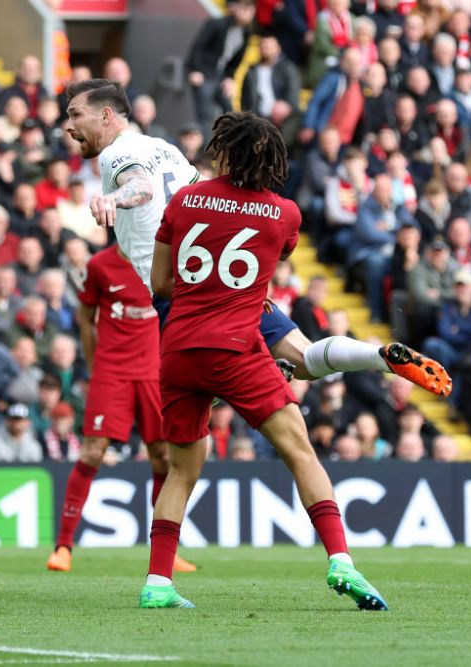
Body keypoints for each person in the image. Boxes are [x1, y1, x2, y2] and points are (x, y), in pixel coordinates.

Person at [63, 78, 451, 396]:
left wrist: (113, 198)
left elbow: (141, 186)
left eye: (75, 115)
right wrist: (242, 282)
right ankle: (379, 357)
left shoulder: (115, 155)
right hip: (221, 279)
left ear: (107, 115)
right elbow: (207, 208)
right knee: (306, 360)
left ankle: (259, 370)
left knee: (190, 390)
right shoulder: (165, 149)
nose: (68, 126)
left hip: (182, 294)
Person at [141, 111, 387, 610]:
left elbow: (160, 286)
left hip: (180, 347)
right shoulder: (285, 214)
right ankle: (341, 560)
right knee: (300, 450)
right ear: (272, 161)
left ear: (224, 151)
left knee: (183, 469)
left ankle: (157, 583)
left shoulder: (185, 200)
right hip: (236, 348)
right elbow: (272, 258)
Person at [46, 245, 197, 574]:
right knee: (93, 451)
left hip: (154, 373)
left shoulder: (164, 262)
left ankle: (166, 551)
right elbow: (86, 320)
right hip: (112, 372)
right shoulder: (100, 265)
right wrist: (93, 365)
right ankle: (63, 547)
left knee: (162, 457)